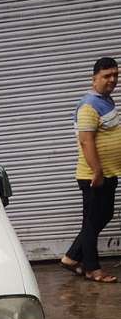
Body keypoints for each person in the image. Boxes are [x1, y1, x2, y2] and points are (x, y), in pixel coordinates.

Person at [62, 56, 120, 282]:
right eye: (107, 76)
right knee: (93, 220)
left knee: (99, 217)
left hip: (107, 172)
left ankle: (71, 257)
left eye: (115, 75)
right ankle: (92, 268)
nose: (112, 80)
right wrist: (97, 172)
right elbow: (86, 141)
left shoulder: (106, 101)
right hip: (94, 175)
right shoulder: (89, 105)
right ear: (94, 78)